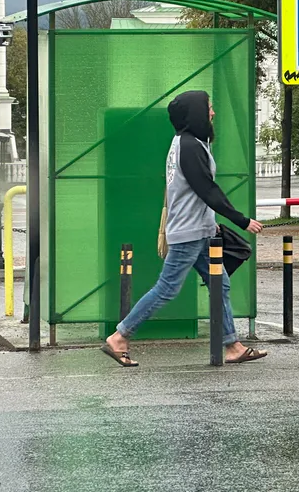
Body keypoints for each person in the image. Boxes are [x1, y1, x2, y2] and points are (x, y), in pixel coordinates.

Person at [101, 90, 267, 366]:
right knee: (167, 288)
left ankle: (232, 346)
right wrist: (241, 220)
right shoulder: (189, 146)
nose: (212, 112)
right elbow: (206, 189)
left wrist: (210, 223)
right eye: (208, 108)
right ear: (195, 114)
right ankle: (119, 337)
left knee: (220, 284)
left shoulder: (188, 143)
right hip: (189, 232)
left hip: (198, 230)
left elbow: (193, 191)